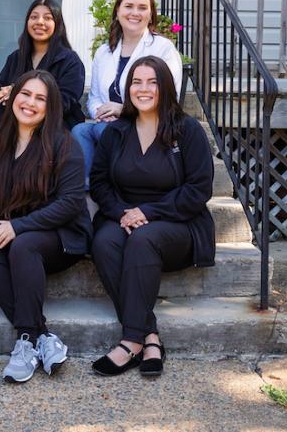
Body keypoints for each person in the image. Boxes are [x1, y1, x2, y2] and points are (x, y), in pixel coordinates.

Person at [89, 56, 214, 378]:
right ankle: (149, 335)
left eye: (152, 82)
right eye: (136, 82)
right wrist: (121, 213)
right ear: (128, 88)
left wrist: (147, 212)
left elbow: (198, 191)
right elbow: (100, 183)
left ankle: (130, 341)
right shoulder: (116, 132)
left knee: (144, 239)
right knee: (103, 242)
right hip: (122, 216)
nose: (143, 89)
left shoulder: (187, 131)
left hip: (177, 223)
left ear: (165, 87)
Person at [0, 70, 91, 383]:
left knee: (24, 244)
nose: (30, 103)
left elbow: (70, 204)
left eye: (40, 98)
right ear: (14, 97)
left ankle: (25, 340)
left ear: (50, 106)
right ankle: (41, 335)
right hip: (14, 236)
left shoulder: (63, 144)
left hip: (61, 237)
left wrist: (17, 227)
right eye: (26, 94)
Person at [71, 0, 183, 189]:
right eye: (129, 6)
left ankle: (117, 189)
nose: (135, 13)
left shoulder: (163, 48)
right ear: (118, 12)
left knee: (105, 134)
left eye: (142, 8)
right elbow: (95, 96)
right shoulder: (104, 51)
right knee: (80, 131)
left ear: (151, 15)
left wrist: (123, 110)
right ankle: (86, 194)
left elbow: (169, 97)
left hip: (147, 123)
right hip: (110, 124)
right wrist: (102, 111)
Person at [0, 0, 85, 132]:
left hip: (53, 123)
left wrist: (20, 93)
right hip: (16, 118)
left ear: (57, 24)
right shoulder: (16, 57)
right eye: (34, 17)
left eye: (47, 18)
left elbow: (65, 101)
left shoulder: (70, 61)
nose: (40, 22)